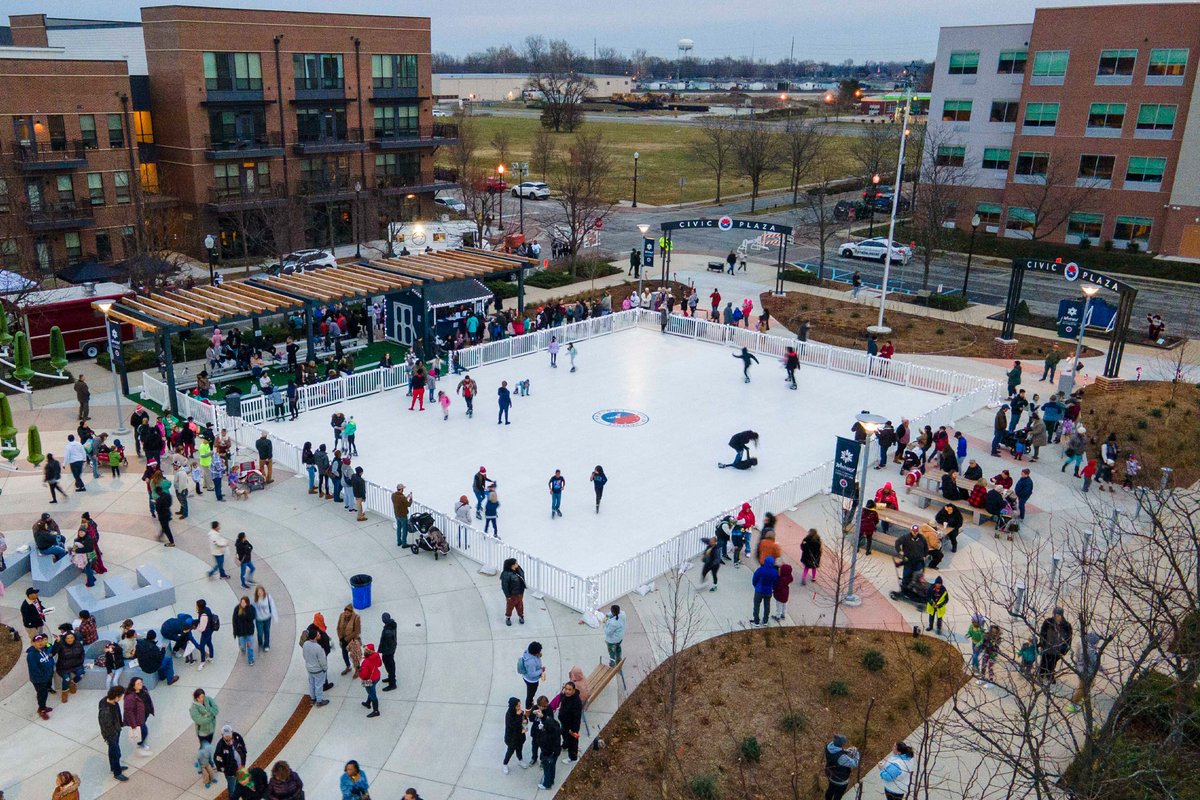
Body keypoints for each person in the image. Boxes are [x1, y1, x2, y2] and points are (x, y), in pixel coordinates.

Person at [190, 688, 220, 788]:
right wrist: (210, 716)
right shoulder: (194, 708)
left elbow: (216, 710)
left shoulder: (208, 700)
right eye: (201, 697)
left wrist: (208, 714)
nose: (203, 698)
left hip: (211, 729)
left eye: (203, 696)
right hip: (202, 732)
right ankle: (202, 764)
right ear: (196, 698)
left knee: (207, 747)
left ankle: (208, 760)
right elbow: (200, 720)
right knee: (204, 749)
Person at [99, 686, 129, 781]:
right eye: (120, 696)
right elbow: (106, 726)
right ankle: (117, 772)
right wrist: (113, 735)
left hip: (116, 730)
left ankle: (114, 767)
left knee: (113, 751)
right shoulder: (106, 711)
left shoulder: (111, 702)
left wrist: (120, 724)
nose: (121, 698)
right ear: (116, 697)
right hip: (112, 735)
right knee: (116, 753)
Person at [1038, 607, 1073, 683]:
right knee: (1044, 661)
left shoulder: (1066, 625)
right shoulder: (1048, 622)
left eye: (1058, 615)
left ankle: (1049, 675)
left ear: (1061, 615)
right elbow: (1042, 634)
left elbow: (1068, 639)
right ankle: (1041, 675)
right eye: (1055, 615)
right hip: (1047, 647)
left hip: (1058, 649)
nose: (1056, 617)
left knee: (1053, 663)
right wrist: (1042, 643)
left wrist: (1064, 649)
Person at [26, 632, 56, 720]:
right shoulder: (31, 655)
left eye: (41, 640)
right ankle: (41, 709)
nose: (40, 642)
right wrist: (43, 677)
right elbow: (34, 669)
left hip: (46, 677)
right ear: (33, 643)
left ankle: (43, 707)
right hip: (39, 680)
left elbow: (48, 660)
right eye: (37, 641)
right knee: (42, 694)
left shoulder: (43, 650)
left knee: (44, 693)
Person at [123, 676, 155, 755]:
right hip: (138, 718)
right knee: (144, 731)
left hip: (145, 714)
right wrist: (133, 725)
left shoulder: (143, 689)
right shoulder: (130, 697)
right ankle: (141, 743)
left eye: (141, 682)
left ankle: (140, 741)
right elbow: (129, 712)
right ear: (133, 685)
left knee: (142, 729)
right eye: (138, 683)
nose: (141, 684)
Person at [213, 725, 248, 798]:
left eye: (229, 735)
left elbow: (242, 746)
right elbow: (218, 760)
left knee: (243, 784)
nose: (228, 737)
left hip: (241, 767)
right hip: (231, 774)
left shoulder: (237, 737)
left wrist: (244, 754)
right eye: (226, 736)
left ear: (232, 733)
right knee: (232, 790)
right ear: (222, 735)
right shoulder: (220, 746)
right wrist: (227, 771)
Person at [824, 734, 860, 800]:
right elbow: (855, 764)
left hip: (830, 775)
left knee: (830, 789)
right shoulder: (841, 757)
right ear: (841, 744)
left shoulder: (829, 746)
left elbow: (836, 752)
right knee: (838, 795)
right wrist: (856, 753)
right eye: (843, 744)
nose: (844, 745)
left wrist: (846, 751)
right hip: (840, 780)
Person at [53, 629, 85, 701]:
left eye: (71, 637)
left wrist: (80, 662)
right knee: (66, 678)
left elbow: (82, 653)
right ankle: (64, 692)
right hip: (64, 667)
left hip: (76, 665)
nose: (70, 639)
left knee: (81, 674)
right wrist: (57, 642)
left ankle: (73, 683)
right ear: (65, 639)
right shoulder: (61, 644)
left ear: (74, 638)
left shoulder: (78, 644)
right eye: (67, 638)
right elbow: (54, 652)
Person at [535, 706, 563, 790]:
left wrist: (539, 731)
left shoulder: (547, 736)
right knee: (553, 766)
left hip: (548, 754)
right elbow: (552, 722)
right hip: (556, 752)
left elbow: (540, 742)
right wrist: (543, 717)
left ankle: (547, 784)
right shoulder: (557, 728)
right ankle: (552, 780)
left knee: (546, 769)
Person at [302, 626, 330, 706]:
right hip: (318, 670)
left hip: (309, 668)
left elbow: (304, 655)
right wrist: (325, 668)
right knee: (319, 685)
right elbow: (322, 661)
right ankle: (319, 701)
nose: (319, 635)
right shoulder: (318, 648)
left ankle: (313, 698)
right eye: (318, 635)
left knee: (311, 684)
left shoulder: (305, 644)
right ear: (315, 637)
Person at [557, 680, 583, 763]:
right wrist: (562, 692)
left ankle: (573, 758)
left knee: (573, 742)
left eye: (569, 690)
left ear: (574, 690)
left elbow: (576, 718)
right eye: (566, 689)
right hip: (565, 724)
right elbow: (562, 697)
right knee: (565, 735)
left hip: (571, 726)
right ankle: (565, 745)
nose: (567, 691)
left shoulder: (576, 702)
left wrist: (573, 730)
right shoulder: (565, 695)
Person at [896, 526, 928, 591]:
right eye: (913, 531)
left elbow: (926, 547)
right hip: (908, 560)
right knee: (907, 573)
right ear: (911, 530)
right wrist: (900, 551)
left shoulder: (922, 538)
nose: (915, 533)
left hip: (918, 560)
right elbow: (897, 543)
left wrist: (924, 555)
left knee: (916, 575)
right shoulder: (905, 537)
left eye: (916, 531)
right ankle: (904, 587)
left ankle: (914, 587)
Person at [502, 697, 528, 774]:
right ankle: (505, 764)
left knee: (519, 749)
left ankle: (520, 760)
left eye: (520, 705)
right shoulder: (509, 714)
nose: (519, 707)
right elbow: (513, 726)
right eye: (518, 706)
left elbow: (524, 722)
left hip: (520, 736)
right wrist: (517, 716)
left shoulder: (520, 712)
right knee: (510, 751)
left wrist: (525, 720)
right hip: (511, 738)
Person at [751, 556, 779, 627]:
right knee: (767, 606)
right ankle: (765, 620)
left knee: (756, 605)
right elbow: (776, 582)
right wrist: (773, 588)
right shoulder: (774, 572)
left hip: (759, 590)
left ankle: (756, 621)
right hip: (768, 591)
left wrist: (756, 586)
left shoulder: (760, 570)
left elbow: (754, 579)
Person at [518, 641, 546, 710]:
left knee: (530, 693)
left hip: (527, 677)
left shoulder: (528, 652)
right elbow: (532, 674)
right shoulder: (531, 662)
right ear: (535, 653)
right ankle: (528, 707)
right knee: (530, 695)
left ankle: (530, 701)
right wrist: (541, 670)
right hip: (531, 681)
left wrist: (538, 655)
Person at [337, 604, 362, 677]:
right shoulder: (341, 616)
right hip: (343, 640)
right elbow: (338, 627)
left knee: (355, 656)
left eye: (348, 613)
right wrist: (340, 638)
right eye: (345, 612)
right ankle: (348, 667)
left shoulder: (356, 618)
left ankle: (358, 669)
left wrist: (347, 639)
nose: (346, 614)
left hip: (352, 640)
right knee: (344, 654)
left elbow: (357, 631)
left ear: (351, 612)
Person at [232, 595, 257, 666]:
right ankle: (243, 650)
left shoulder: (251, 608)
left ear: (247, 603)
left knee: (250, 646)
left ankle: (250, 659)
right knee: (242, 645)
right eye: (241, 602)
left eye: (244, 603)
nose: (242, 604)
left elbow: (252, 617)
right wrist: (235, 632)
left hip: (249, 632)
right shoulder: (237, 608)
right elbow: (234, 620)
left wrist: (247, 609)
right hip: (240, 633)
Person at [359, 642, 383, 718]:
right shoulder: (376, 655)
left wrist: (359, 671)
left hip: (369, 680)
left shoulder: (366, 662)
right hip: (377, 676)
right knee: (372, 690)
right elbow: (379, 664)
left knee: (373, 694)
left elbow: (364, 675)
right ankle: (368, 703)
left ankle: (376, 711)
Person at [501, 558, 527, 626]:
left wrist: (518, 567)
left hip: (520, 593)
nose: (517, 564)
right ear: (511, 565)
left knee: (520, 605)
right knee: (510, 606)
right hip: (512, 595)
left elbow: (522, 574)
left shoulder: (517, 570)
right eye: (515, 563)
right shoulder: (506, 574)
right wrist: (508, 596)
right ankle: (508, 617)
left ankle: (521, 616)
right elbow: (504, 586)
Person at [379, 612, 398, 691]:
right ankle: (391, 678)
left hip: (388, 651)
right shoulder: (393, 624)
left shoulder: (387, 632)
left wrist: (381, 650)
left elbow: (386, 644)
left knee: (389, 665)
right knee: (390, 664)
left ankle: (392, 684)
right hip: (392, 648)